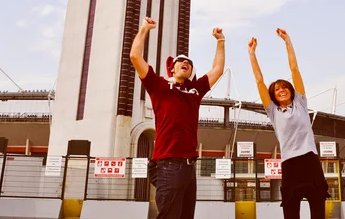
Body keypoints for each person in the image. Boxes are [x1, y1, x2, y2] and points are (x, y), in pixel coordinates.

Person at [130, 17, 225, 219]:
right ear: (172, 68)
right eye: (181, 61)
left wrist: (220, 41)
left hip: (190, 165)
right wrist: (144, 29)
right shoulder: (159, 85)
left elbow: (217, 70)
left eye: (190, 63)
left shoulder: (194, 90)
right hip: (168, 162)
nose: (186, 63)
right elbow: (135, 56)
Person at [248, 28, 329, 219]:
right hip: (290, 165)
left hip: (310, 161)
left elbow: (294, 69)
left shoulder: (300, 103)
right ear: (273, 95)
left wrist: (287, 41)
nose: (282, 90)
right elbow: (260, 81)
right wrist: (252, 54)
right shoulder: (273, 111)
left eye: (284, 87)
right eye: (277, 89)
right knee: (291, 214)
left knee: (318, 211)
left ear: (291, 90)